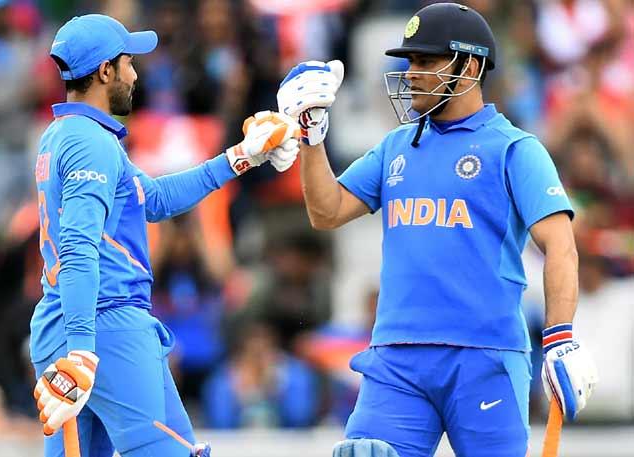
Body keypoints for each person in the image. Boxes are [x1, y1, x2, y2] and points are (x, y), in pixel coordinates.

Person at [276, 3, 598, 457]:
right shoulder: (396, 146)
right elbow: (326, 212)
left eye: (426, 61)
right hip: (398, 358)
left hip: (485, 357)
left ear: (469, 66)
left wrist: (560, 338)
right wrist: (311, 137)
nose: (411, 73)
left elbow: (561, 247)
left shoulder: (515, 149)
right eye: (410, 61)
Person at [30, 14, 300, 457]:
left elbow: (152, 197)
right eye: (129, 62)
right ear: (105, 71)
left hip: (73, 324)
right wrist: (81, 352)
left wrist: (242, 157)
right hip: (104, 327)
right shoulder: (90, 143)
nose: (136, 74)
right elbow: (80, 247)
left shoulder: (64, 135)